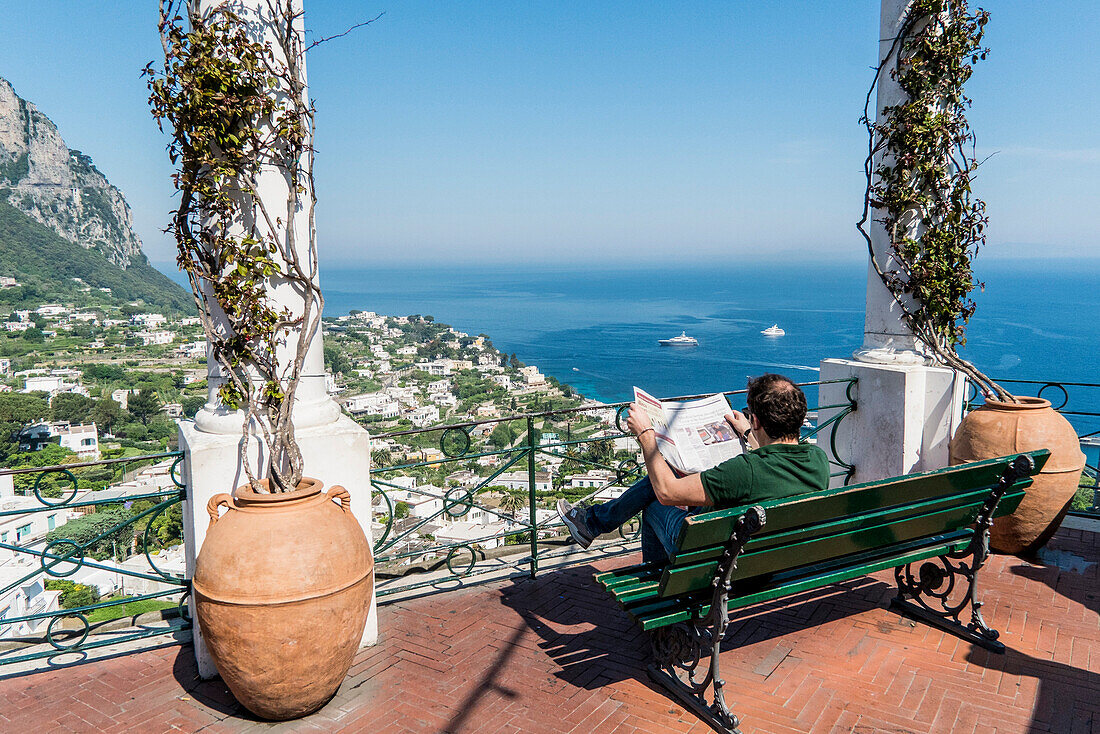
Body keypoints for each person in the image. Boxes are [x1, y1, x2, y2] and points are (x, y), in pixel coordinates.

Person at [557, 373, 829, 563]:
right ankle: (592, 522)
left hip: (720, 559)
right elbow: (774, 464)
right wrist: (747, 434)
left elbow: (666, 492)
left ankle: (659, 591)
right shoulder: (818, 460)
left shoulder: (746, 471)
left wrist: (646, 435)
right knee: (675, 473)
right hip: (776, 556)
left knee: (655, 498)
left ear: (756, 420)